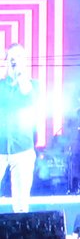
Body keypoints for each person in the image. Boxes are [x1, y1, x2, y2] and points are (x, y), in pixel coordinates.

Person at [0, 43, 39, 214]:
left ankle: (21, 230)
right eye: (12, 57)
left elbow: (28, 95)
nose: (15, 61)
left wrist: (20, 76)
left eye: (18, 57)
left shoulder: (33, 85)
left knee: (21, 204)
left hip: (22, 148)